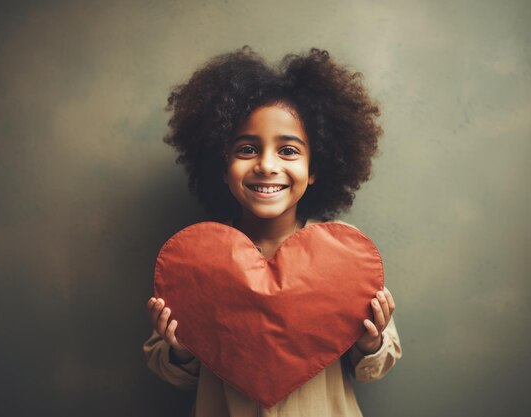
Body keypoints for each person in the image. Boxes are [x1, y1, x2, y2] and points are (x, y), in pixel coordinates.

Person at [143, 46, 402, 417]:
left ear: (315, 168)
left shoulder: (346, 257)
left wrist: (370, 341)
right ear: (221, 164)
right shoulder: (196, 261)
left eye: (289, 151)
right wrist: (181, 347)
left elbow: (377, 364)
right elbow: (175, 371)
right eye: (247, 149)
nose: (266, 165)